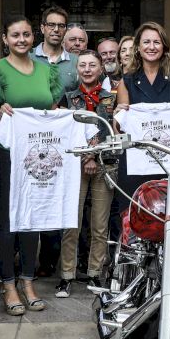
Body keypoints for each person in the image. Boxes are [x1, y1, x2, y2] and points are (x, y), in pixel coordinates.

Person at [0, 14, 62, 315]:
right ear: (5, 39)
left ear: (34, 37)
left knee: (33, 218)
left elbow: (54, 112)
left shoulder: (47, 71)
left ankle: (28, 281)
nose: (21, 40)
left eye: (26, 34)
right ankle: (8, 284)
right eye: (15, 35)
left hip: (40, 156)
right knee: (9, 220)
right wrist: (0, 112)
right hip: (8, 155)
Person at [56, 50, 117, 297]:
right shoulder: (68, 98)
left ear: (101, 68)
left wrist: (94, 156)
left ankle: (94, 272)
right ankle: (66, 275)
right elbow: (61, 131)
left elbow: (115, 132)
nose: (87, 69)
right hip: (74, 166)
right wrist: (85, 157)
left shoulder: (112, 99)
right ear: (77, 69)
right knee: (71, 223)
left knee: (99, 225)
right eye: (83, 65)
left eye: (92, 65)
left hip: (105, 164)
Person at [116, 21, 170, 207]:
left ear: (164, 46)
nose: (151, 47)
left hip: (168, 162)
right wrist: (117, 117)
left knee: (169, 213)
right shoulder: (127, 81)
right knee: (134, 214)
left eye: (157, 42)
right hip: (136, 163)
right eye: (146, 42)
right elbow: (120, 133)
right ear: (138, 47)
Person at [33, 5, 78, 91]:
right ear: (42, 28)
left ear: (65, 30)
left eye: (61, 25)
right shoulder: (27, 57)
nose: (56, 29)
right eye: (51, 25)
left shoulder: (76, 61)